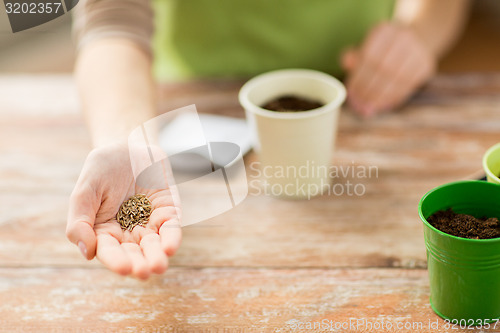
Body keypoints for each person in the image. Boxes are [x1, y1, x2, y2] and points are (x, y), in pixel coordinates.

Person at [66, 0, 470, 279]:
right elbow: (112, 16)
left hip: (366, 88)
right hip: (191, 90)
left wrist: (416, 31)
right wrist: (127, 141)